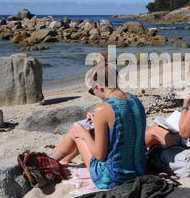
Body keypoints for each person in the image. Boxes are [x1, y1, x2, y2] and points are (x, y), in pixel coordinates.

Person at [52, 61, 147, 189]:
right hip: (139, 170)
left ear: (99, 86)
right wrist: (97, 120)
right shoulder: (135, 100)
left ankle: (48, 162)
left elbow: (99, 155)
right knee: (84, 130)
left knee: (76, 130)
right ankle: (60, 160)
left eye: (92, 91)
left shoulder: (103, 109)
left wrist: (84, 134)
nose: (94, 94)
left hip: (113, 178)